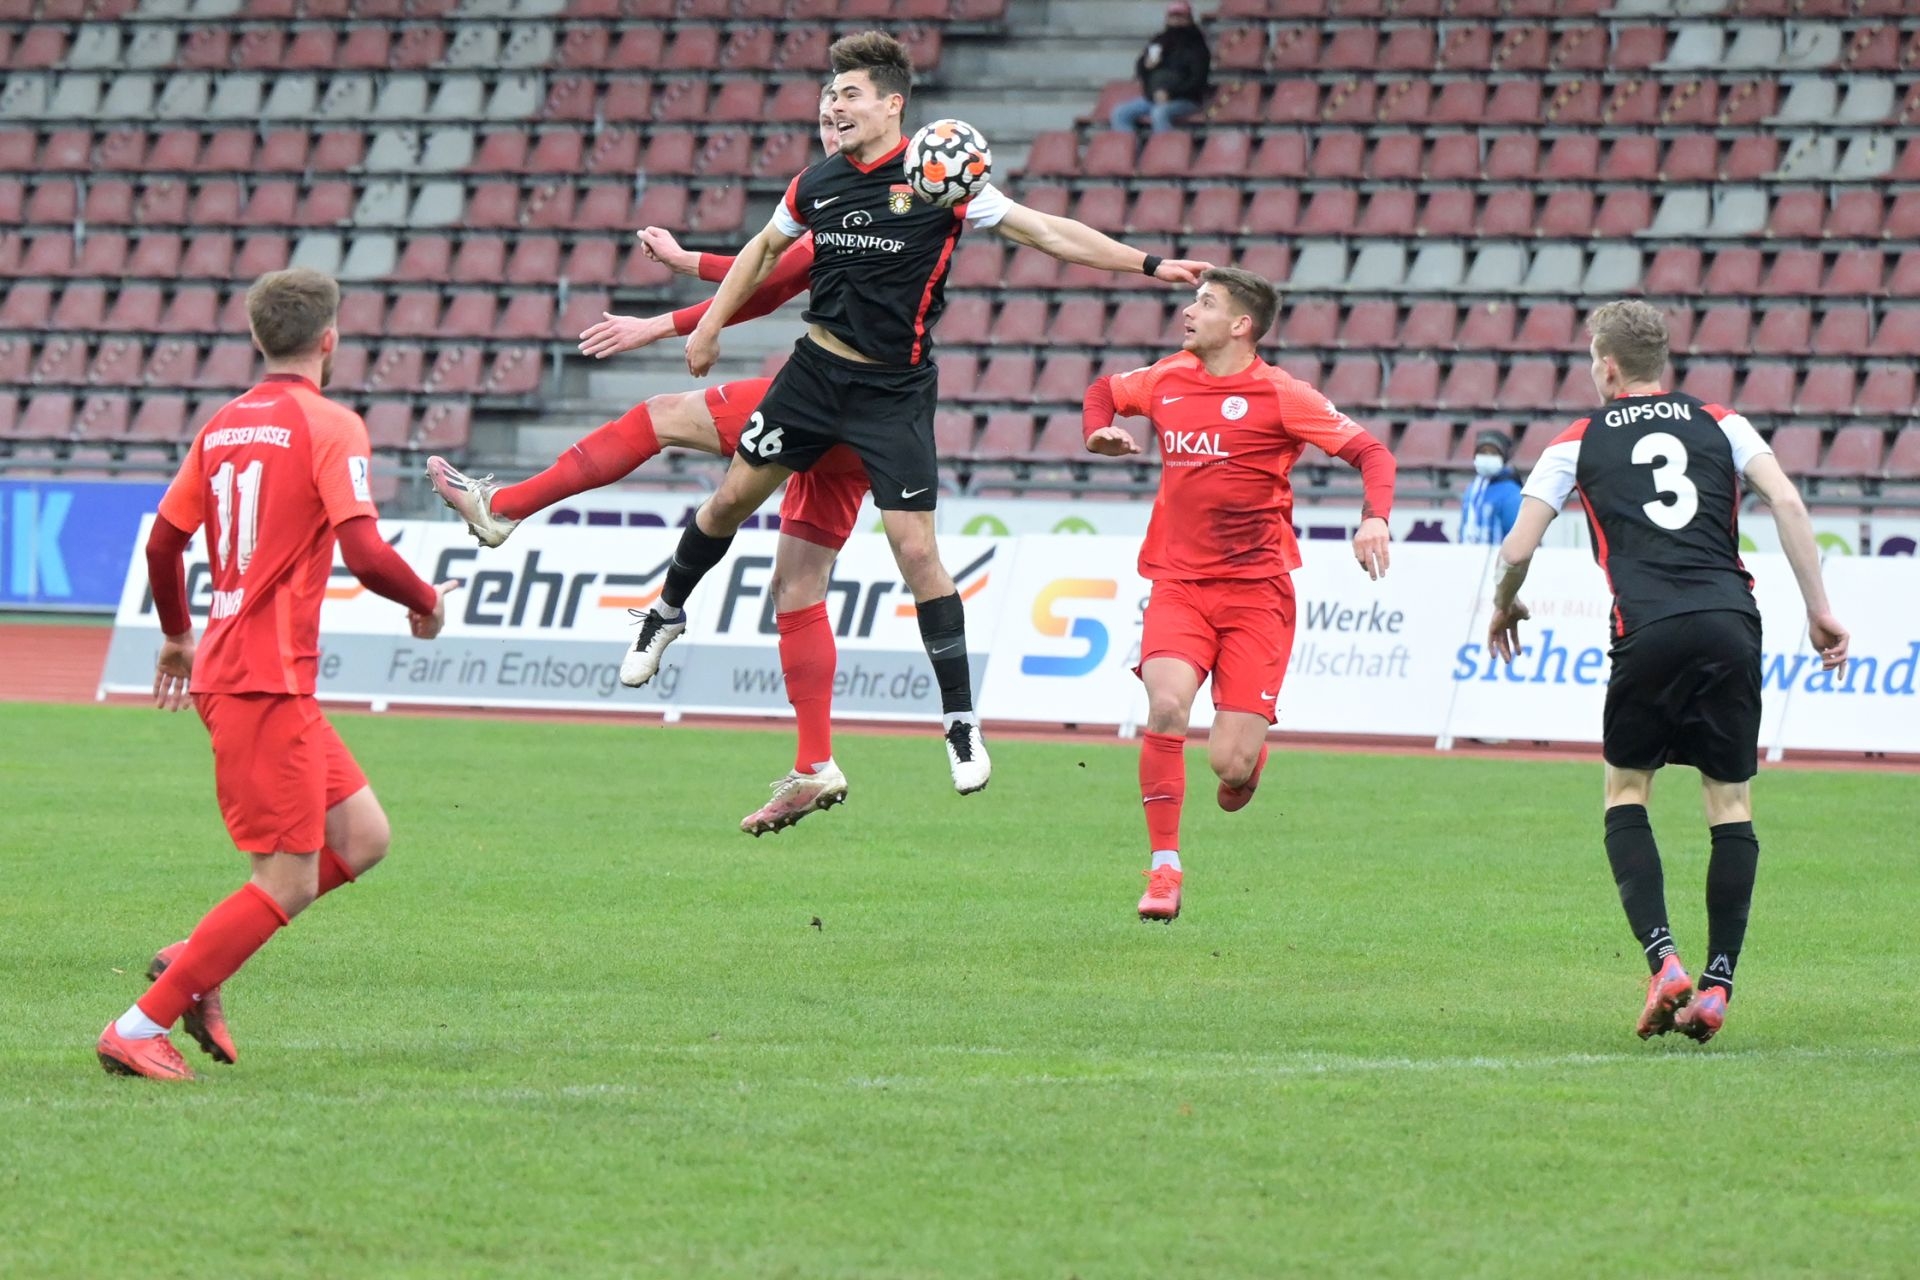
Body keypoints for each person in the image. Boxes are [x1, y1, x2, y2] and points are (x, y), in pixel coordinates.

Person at [626, 29, 1210, 797]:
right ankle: (667, 611)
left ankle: (960, 723)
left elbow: (1048, 232)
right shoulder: (816, 183)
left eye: (850, 94)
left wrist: (1149, 264)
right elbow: (761, 254)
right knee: (730, 500)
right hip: (814, 374)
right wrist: (705, 327)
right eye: (831, 93)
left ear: (892, 104)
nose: (835, 106)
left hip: (893, 394)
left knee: (917, 553)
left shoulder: (940, 178)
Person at [427, 94, 863, 837]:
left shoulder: (866, 200)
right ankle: (816, 761)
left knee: (659, 419)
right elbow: (775, 271)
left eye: (845, 108)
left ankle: (507, 510)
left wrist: (656, 323)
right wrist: (690, 263)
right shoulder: (868, 196)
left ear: (888, 108)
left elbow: (768, 282)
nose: (831, 126)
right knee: (798, 587)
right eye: (824, 115)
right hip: (875, 426)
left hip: (829, 395)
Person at [97, 267, 457, 1080]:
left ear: (257, 338)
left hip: (248, 671)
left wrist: (178, 636)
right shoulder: (331, 424)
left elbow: (163, 543)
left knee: (363, 837)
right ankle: (138, 1025)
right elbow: (365, 552)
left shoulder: (222, 424)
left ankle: (196, 957)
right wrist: (427, 601)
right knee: (287, 879)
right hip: (263, 681)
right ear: (330, 340)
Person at [1487, 299, 1849, 1043]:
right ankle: (1717, 986)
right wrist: (1819, 609)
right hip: (1730, 621)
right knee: (1730, 803)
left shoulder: (1575, 441)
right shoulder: (1722, 421)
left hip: (1647, 626)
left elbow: (1517, 548)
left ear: (1607, 367)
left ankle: (1664, 961)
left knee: (1626, 791)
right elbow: (1786, 499)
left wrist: (1505, 604)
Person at [1082, 268, 1397, 921]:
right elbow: (1103, 390)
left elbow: (1372, 454)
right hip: (1178, 584)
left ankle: (1246, 763)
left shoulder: (1282, 394)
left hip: (1258, 595)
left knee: (1228, 765)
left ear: (1240, 325)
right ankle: (1164, 870)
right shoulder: (1167, 377)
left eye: (1205, 303)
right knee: (1167, 705)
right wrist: (1097, 431)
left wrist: (1375, 518)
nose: (1189, 312)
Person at [1109, 2, 1211, 135]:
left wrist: (1171, 94)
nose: (1176, 20)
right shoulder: (1159, 40)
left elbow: (1198, 80)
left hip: (1186, 100)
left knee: (1159, 113)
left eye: (1180, 16)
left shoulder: (1197, 45)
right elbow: (1141, 69)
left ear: (1189, 18)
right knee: (1120, 113)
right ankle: (1130, 147)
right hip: (1154, 96)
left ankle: (1164, 147)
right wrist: (1145, 65)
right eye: (1172, 16)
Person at [1459, 427, 1523, 545]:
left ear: (1504, 458)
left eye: (1493, 453)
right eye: (1482, 452)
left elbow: (1519, 539)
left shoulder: (1512, 494)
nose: (1487, 457)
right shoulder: (1472, 489)